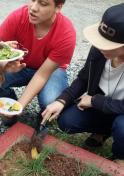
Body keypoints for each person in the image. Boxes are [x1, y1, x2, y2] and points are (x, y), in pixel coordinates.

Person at [41, 3, 124, 167]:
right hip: (103, 107)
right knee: (67, 121)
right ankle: (103, 131)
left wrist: (95, 101)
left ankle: (121, 156)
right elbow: (83, 78)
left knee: (122, 128)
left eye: (108, 44)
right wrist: (62, 100)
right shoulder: (99, 51)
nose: (100, 46)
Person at [0, 0, 76, 125]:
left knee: (50, 100)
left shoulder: (66, 33)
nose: (33, 8)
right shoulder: (17, 17)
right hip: (21, 66)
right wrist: (4, 65)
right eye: (32, 0)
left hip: (51, 71)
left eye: (43, 4)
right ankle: (10, 109)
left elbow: (42, 74)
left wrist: (19, 106)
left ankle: (43, 118)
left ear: (58, 7)